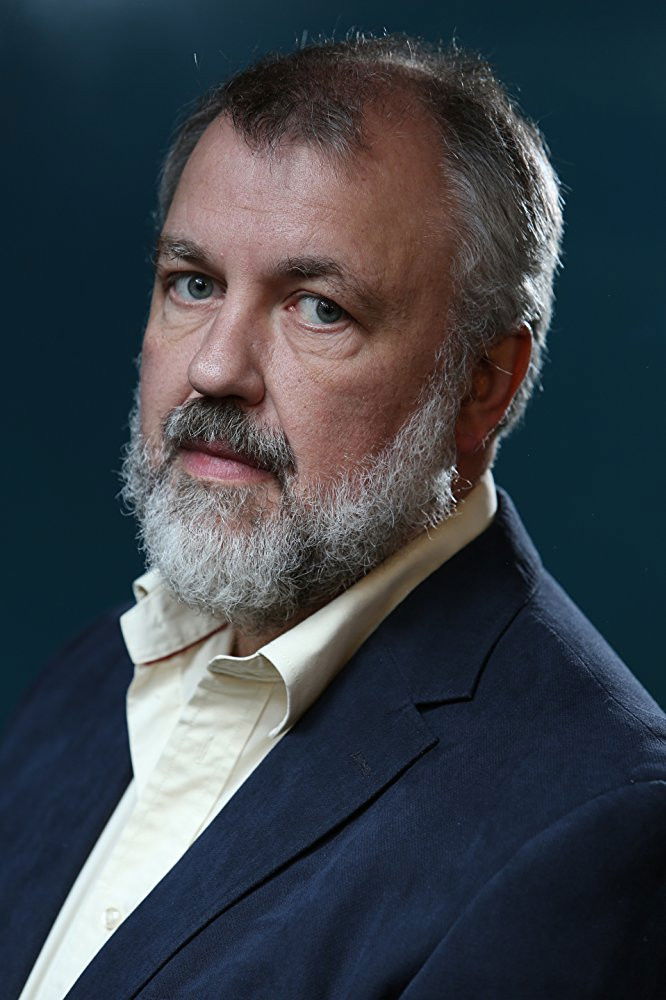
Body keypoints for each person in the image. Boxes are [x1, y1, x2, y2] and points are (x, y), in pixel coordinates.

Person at [2, 34, 664, 1000]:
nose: (215, 368)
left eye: (318, 308)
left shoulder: (596, 829)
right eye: (193, 284)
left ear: (484, 382)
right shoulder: (89, 682)